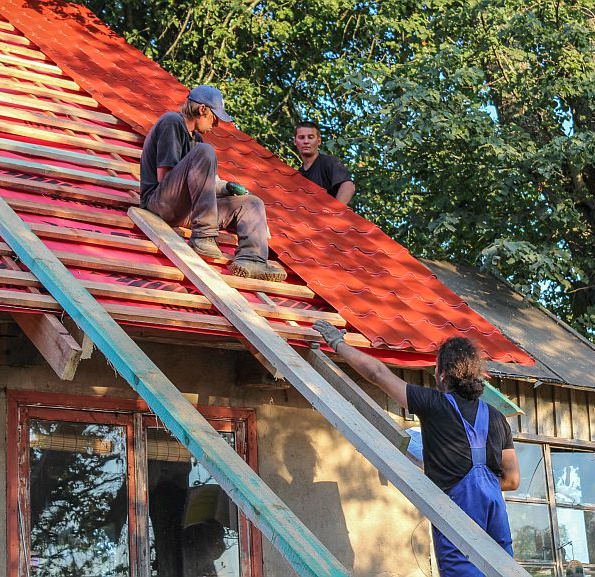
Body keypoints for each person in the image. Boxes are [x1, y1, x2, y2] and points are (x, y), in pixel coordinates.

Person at [312, 320, 519, 577]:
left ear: (443, 374)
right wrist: (467, 475)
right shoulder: (498, 418)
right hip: (495, 517)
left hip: (458, 520)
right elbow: (512, 480)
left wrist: (337, 343)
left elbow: (377, 374)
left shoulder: (433, 404)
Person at [140, 85, 287, 282]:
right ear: (202, 109)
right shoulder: (172, 122)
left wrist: (227, 189)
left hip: (185, 209)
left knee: (252, 203)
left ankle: (252, 259)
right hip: (160, 204)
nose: (216, 125)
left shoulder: (196, 140)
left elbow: (202, 184)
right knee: (205, 150)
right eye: (215, 118)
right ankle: (204, 236)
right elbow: (164, 178)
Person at [294, 121, 356, 205]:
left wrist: (334, 212)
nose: (306, 141)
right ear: (295, 141)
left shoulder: (329, 163)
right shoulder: (298, 175)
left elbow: (348, 186)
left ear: (318, 141)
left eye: (310, 137)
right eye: (301, 137)